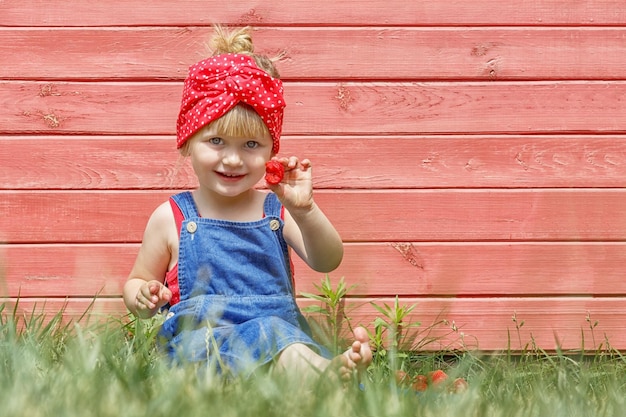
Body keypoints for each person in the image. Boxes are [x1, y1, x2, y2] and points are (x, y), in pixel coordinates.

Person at [123, 25, 372, 383]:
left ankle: (321, 379)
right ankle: (323, 379)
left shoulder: (275, 211)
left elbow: (328, 259)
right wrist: (143, 295)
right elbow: (137, 280)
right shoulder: (172, 217)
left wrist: (305, 211)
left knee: (281, 339)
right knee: (273, 337)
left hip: (279, 338)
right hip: (201, 346)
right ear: (187, 142)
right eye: (217, 141)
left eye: (251, 145)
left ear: (272, 150)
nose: (234, 159)